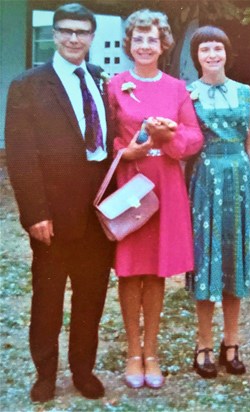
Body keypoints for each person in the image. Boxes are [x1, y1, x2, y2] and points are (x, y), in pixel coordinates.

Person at [5, 3, 114, 402]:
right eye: (66, 31)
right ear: (54, 33)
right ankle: (45, 374)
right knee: (47, 299)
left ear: (91, 37)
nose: (74, 39)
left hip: (97, 216)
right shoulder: (28, 85)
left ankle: (83, 371)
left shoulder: (103, 80)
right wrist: (35, 214)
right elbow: (21, 154)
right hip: (52, 216)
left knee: (92, 297)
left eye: (82, 32)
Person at [107, 9, 203, 389]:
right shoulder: (114, 84)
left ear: (164, 45)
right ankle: (132, 351)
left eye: (152, 39)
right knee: (131, 269)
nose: (145, 45)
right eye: (138, 38)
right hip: (131, 182)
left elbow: (194, 137)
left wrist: (170, 137)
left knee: (156, 270)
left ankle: (152, 351)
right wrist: (124, 151)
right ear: (129, 44)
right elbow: (106, 136)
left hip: (164, 181)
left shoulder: (177, 88)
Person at [186, 26, 250, 378]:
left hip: (239, 181)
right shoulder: (188, 95)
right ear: (197, 56)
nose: (212, 55)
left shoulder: (244, 92)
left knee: (234, 260)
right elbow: (185, 144)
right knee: (206, 262)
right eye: (205, 49)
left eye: (218, 48)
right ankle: (204, 343)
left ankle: (231, 342)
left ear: (226, 52)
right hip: (205, 181)